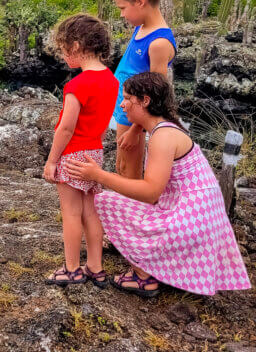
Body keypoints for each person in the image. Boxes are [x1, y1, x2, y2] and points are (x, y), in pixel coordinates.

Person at [67, 72, 251, 297]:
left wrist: (98, 175)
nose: (122, 105)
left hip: (189, 226)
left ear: (145, 101)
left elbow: (150, 192)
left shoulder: (162, 137)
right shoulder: (166, 128)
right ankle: (154, 269)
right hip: (199, 223)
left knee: (103, 201)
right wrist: (136, 128)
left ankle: (143, 277)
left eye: (127, 98)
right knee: (125, 202)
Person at [43, 14, 119, 287]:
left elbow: (65, 129)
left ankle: (72, 268)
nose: (64, 56)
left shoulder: (76, 85)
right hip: (94, 154)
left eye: (64, 49)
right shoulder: (111, 80)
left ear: (76, 46)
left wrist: (52, 161)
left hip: (73, 154)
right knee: (91, 212)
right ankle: (95, 267)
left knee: (71, 214)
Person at [111, 0, 176, 180]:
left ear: (140, 1)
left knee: (129, 171)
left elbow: (155, 92)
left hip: (135, 115)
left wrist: (136, 129)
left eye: (123, 8)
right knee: (121, 165)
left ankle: (133, 211)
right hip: (124, 107)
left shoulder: (159, 43)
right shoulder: (140, 27)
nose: (122, 14)